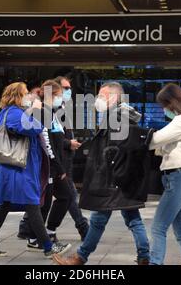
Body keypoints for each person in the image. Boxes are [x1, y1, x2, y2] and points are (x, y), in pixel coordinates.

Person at [53, 82, 150, 265]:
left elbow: (116, 150)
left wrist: (107, 173)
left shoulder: (117, 118)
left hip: (112, 181)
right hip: (120, 180)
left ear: (113, 98)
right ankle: (144, 256)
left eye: (101, 96)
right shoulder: (118, 116)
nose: (97, 99)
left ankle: (80, 257)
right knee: (132, 218)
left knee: (99, 219)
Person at [0, 82, 70, 258]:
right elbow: (32, 128)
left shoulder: (11, 113)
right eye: (25, 93)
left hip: (14, 169)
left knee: (4, 207)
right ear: (17, 96)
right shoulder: (13, 113)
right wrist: (36, 109)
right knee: (32, 205)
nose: (29, 96)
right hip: (16, 169)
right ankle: (48, 247)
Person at [147, 83, 181, 265]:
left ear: (172, 103)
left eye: (164, 105)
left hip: (178, 179)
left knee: (158, 228)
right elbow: (162, 148)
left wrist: (146, 137)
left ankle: (155, 262)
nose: (163, 109)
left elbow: (154, 141)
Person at [25, 80, 73, 251]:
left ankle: (42, 234)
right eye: (60, 95)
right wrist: (58, 167)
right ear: (52, 95)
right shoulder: (43, 112)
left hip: (53, 165)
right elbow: (46, 143)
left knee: (61, 198)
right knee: (50, 201)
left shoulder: (50, 112)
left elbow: (55, 141)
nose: (62, 98)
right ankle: (40, 235)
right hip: (48, 166)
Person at [53, 76, 89, 240]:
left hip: (65, 160)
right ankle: (83, 227)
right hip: (59, 161)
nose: (69, 91)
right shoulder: (53, 109)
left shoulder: (61, 108)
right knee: (69, 196)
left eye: (69, 88)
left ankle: (28, 227)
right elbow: (51, 137)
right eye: (66, 88)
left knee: (63, 196)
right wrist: (69, 143)